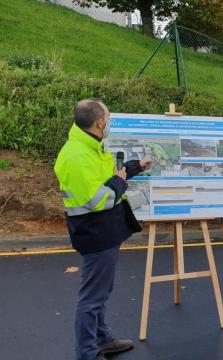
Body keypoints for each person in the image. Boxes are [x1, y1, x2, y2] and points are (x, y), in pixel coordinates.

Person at [54, 99, 152, 360]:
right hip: (95, 233)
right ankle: (86, 353)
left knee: (101, 291)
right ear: (99, 122)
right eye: (108, 117)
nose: (109, 122)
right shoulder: (76, 155)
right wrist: (120, 183)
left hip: (105, 230)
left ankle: (102, 339)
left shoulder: (90, 146)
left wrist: (135, 167)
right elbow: (100, 199)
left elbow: (109, 178)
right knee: (92, 297)